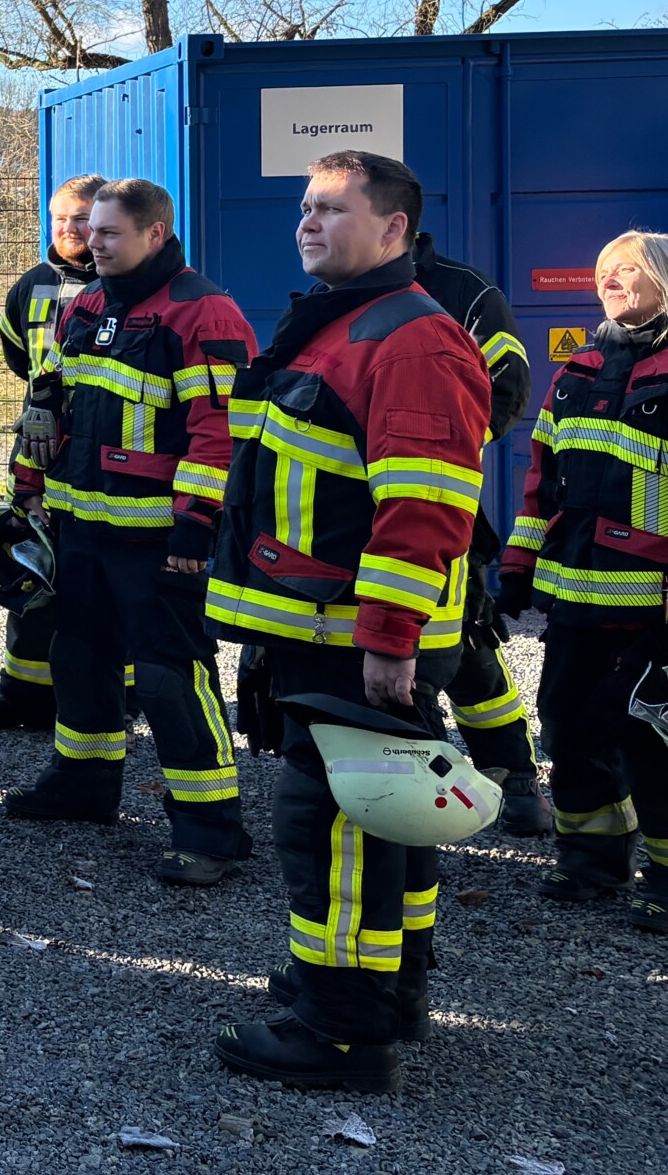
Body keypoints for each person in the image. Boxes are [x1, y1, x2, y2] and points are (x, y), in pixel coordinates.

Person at [208, 151, 490, 1091]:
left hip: (357, 639)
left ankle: (338, 1028)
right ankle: (386, 989)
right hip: (325, 630)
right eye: (304, 207)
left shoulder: (410, 339)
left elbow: (425, 505)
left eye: (332, 208)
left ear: (395, 229)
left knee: (331, 828)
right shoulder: (342, 326)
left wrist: (388, 638)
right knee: (389, 819)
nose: (308, 222)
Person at [7, 177, 260, 888]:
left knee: (169, 678)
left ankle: (211, 829)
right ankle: (82, 788)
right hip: (80, 529)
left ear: (155, 233)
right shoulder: (83, 304)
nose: (93, 242)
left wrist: (194, 530)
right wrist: (27, 488)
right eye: (90, 231)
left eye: (109, 232)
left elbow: (222, 435)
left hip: (157, 540)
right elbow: (45, 403)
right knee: (79, 660)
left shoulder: (203, 312)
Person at [496, 229, 668, 927]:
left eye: (628, 270)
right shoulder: (580, 370)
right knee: (566, 726)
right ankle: (591, 858)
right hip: (573, 601)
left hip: (653, 608)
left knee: (648, 735)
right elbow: (543, 486)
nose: (611, 280)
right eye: (604, 270)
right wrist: (515, 570)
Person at [408, 229, 553, 834]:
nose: (312, 225)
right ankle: (436, 789)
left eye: (333, 210)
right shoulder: (325, 294)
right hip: (353, 509)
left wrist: (433, 451)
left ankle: (511, 776)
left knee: (463, 638)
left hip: (437, 498)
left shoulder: (465, 293)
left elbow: (508, 388)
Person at [0, 173, 102, 731]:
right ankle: (24, 696)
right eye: (61, 218)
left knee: (99, 577)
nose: (71, 229)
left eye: (83, 219)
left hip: (105, 448)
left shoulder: (127, 284)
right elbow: (18, 355)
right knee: (30, 563)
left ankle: (114, 699)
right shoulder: (30, 285)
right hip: (40, 442)